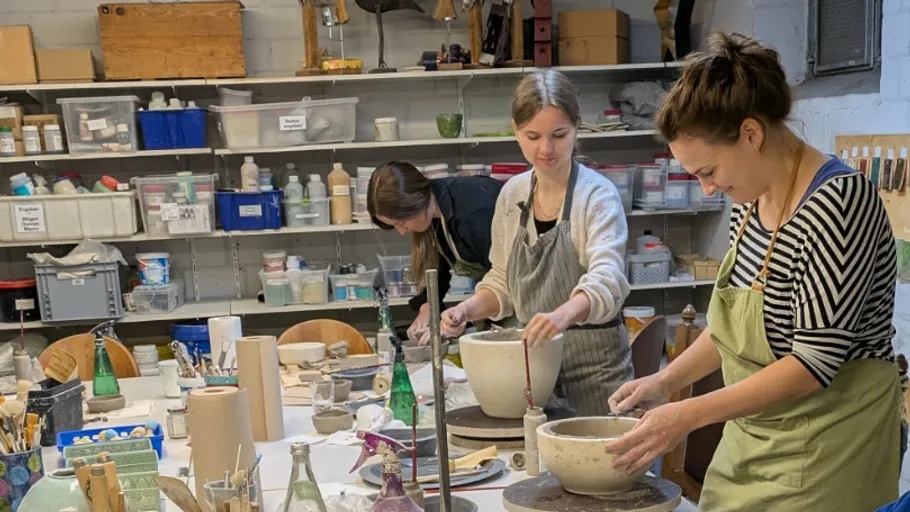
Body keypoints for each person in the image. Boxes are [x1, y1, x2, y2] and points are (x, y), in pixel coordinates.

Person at [604, 32, 905, 510]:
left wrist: (686, 415)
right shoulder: (751, 200)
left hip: (831, 447)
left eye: (707, 171)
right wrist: (666, 382)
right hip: (758, 439)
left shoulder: (838, 204)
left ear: (750, 133)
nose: (706, 190)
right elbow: (729, 331)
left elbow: (812, 365)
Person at [439, 69, 633, 417]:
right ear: (515, 131)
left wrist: (562, 316)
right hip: (531, 373)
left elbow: (608, 280)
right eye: (533, 136)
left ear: (577, 128)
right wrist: (466, 311)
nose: (546, 148)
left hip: (595, 374)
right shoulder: (512, 195)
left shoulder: (597, 196)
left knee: (598, 466)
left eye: (559, 134)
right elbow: (503, 284)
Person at [367, 161, 503, 344]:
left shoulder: (474, 215)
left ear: (416, 203)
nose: (402, 231)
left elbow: (506, 282)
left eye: (401, 223)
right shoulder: (435, 209)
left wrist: (464, 315)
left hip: (527, 304)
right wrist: (427, 307)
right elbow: (438, 268)